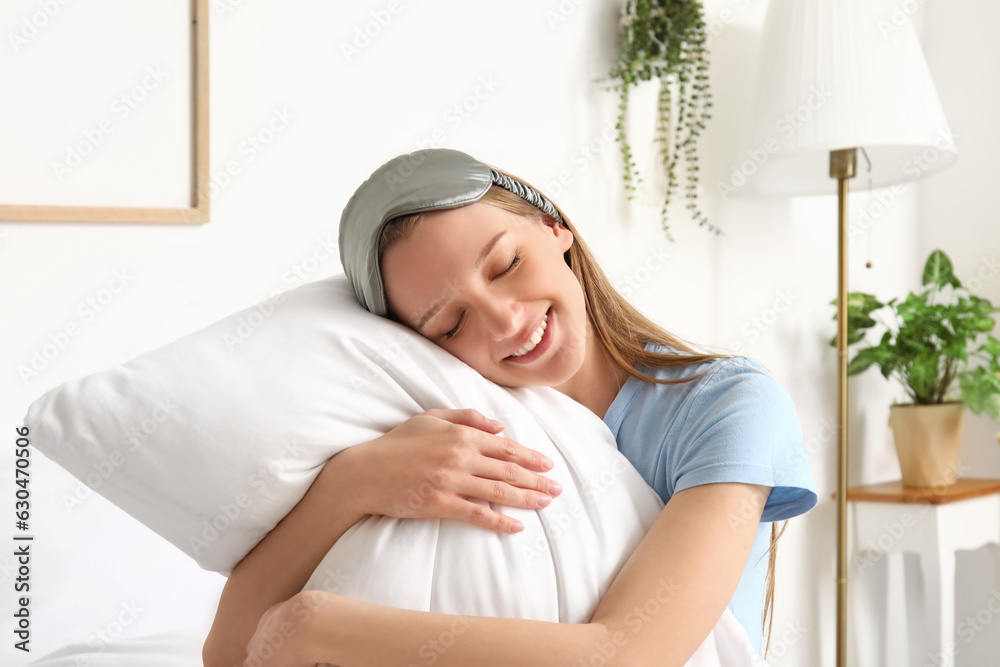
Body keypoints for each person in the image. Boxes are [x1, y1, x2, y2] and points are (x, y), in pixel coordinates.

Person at [202, 148, 818, 667]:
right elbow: (227, 653)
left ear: (555, 230)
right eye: (451, 323)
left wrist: (319, 624)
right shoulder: (437, 428)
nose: (504, 320)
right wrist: (349, 484)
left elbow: (628, 656)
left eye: (506, 265)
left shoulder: (727, 407)